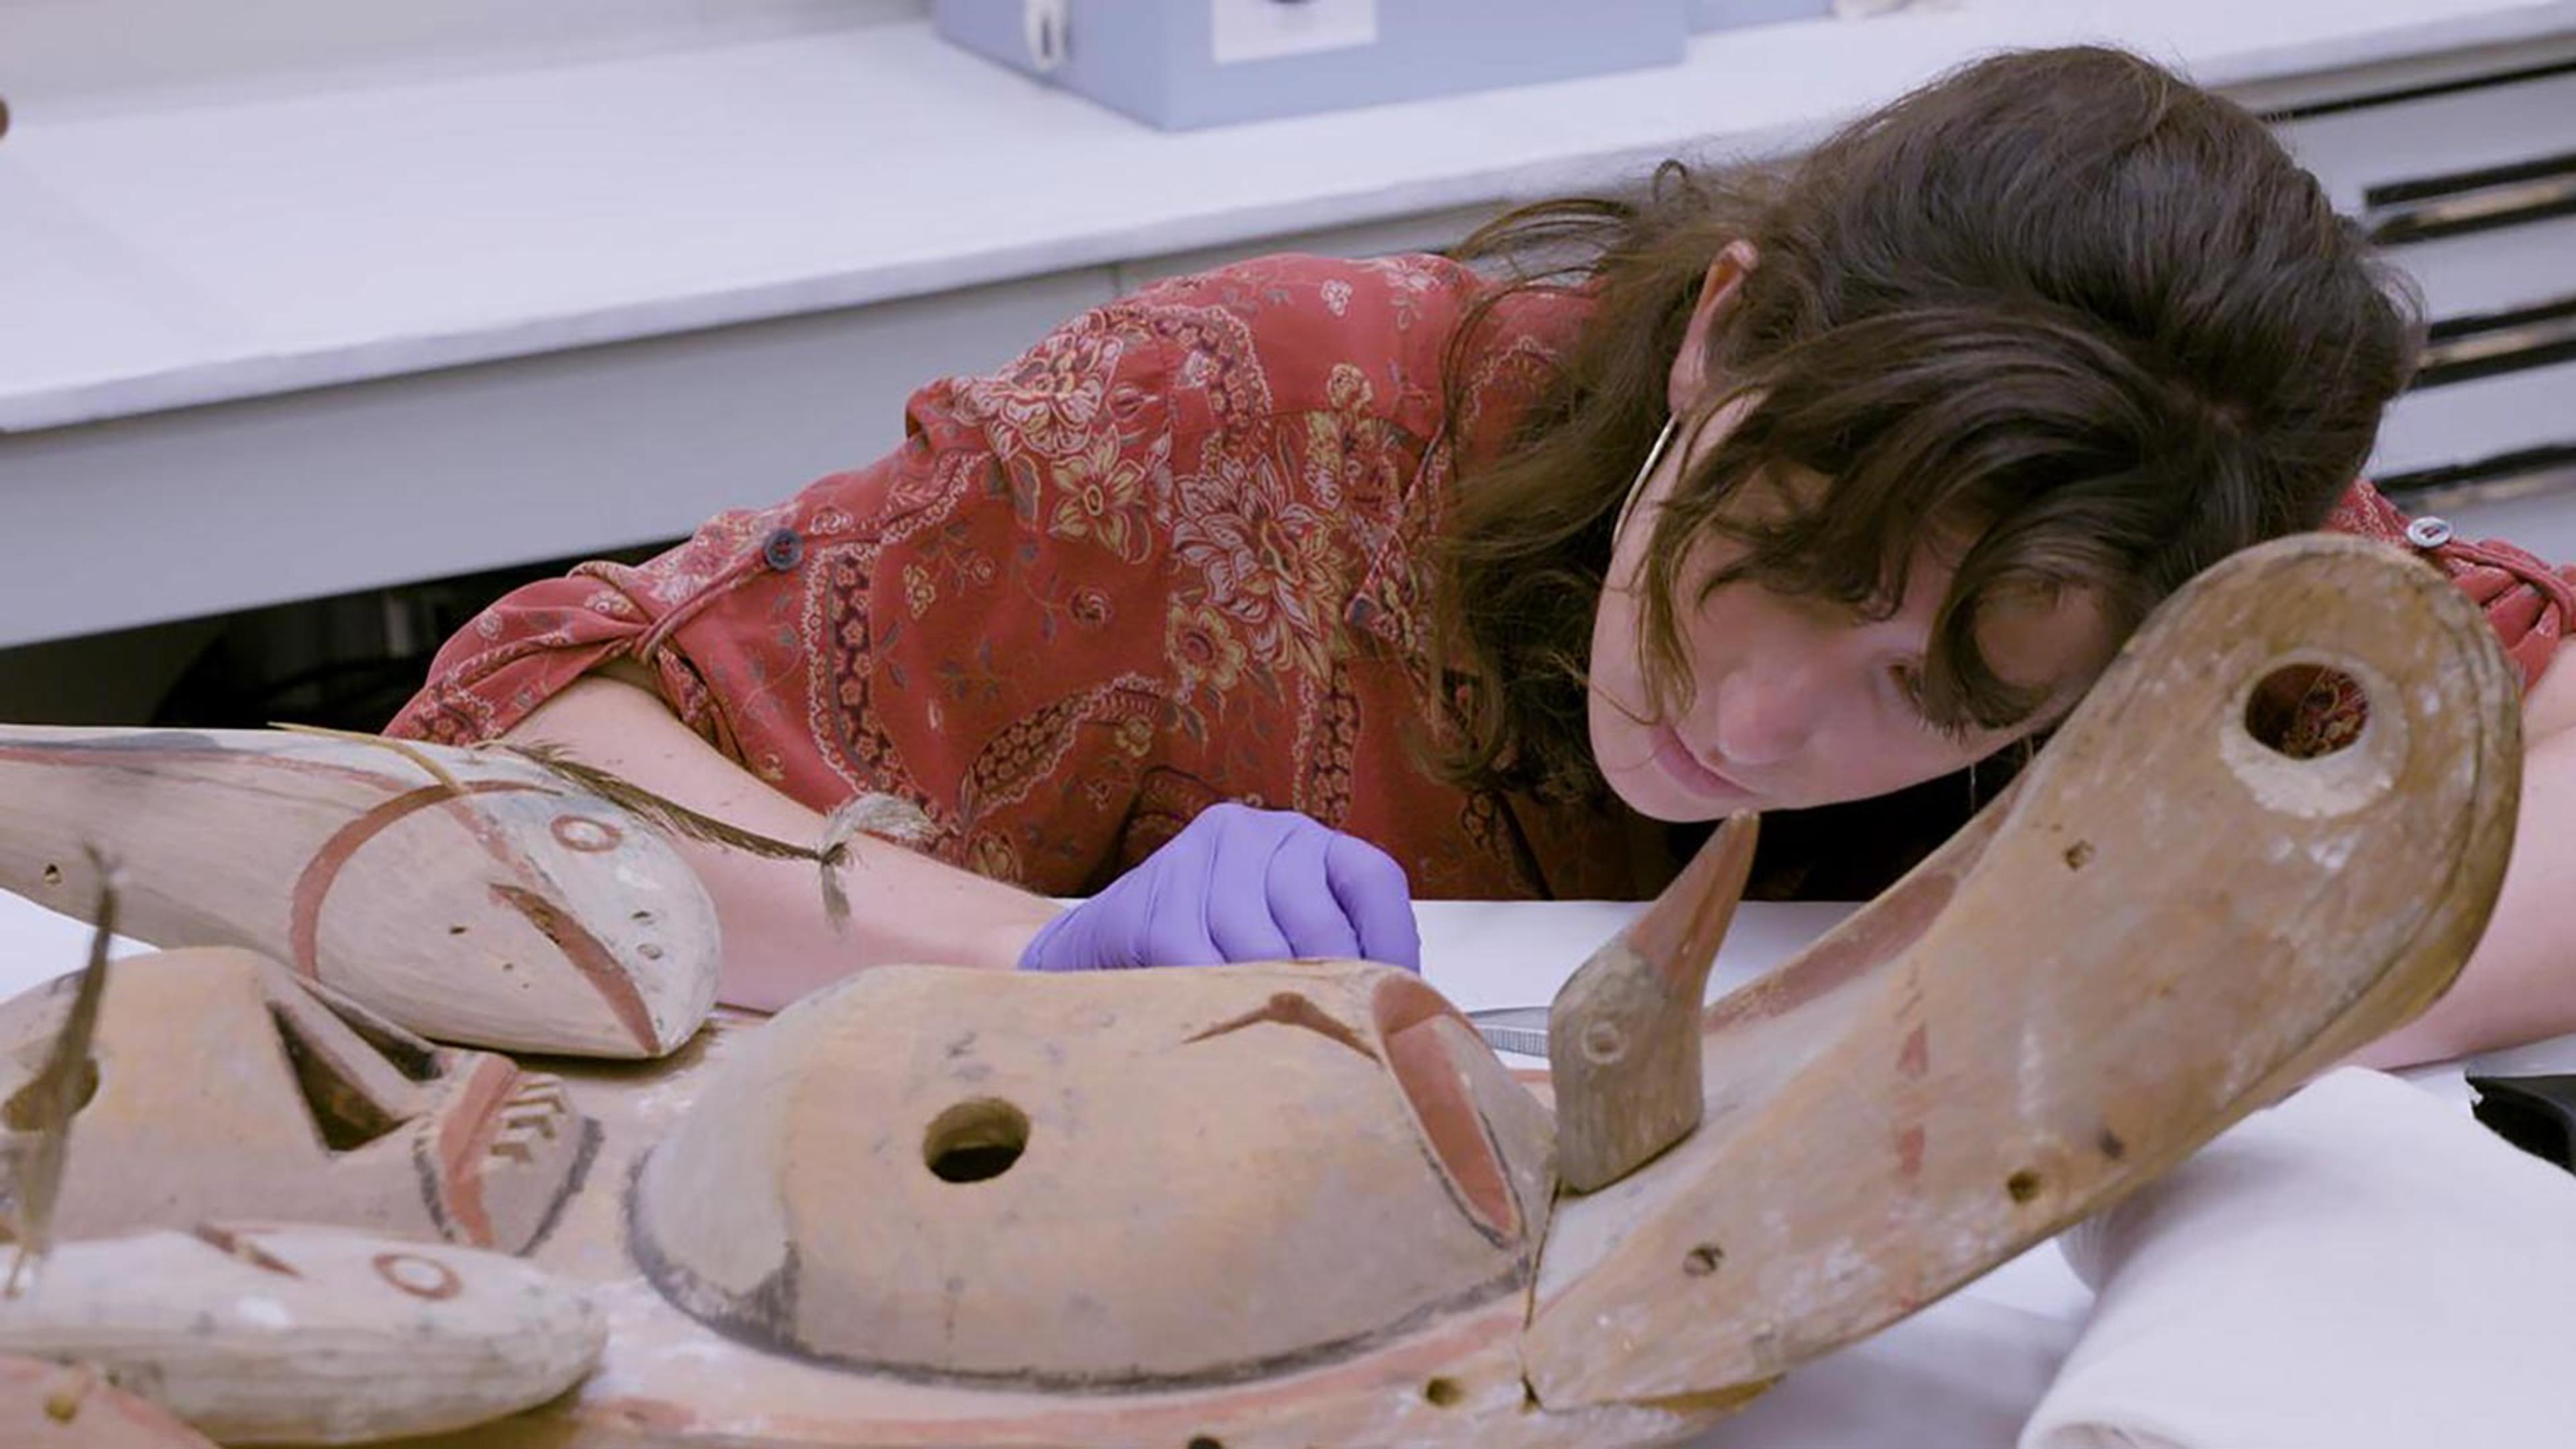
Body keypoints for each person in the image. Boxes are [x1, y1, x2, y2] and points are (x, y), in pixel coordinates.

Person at [390, 46, 2574, 1067]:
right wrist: (1018, 965)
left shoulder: (2170, 572)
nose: (1762, 724)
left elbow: (2535, 722)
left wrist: (2170, 1021)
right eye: (1783, 558)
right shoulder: (1251, 417)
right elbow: (499, 758)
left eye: (1955, 688)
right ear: (1724, 327)